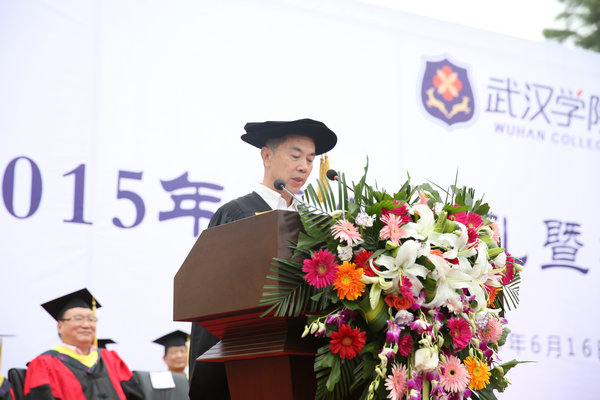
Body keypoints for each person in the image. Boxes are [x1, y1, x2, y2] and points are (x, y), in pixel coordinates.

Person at [188, 118, 337, 400]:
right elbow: (211, 299)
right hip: (245, 367)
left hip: (305, 364)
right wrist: (208, 381)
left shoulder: (314, 223)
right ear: (267, 156)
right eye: (295, 156)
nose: (304, 167)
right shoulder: (236, 214)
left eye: (310, 159)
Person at [23, 289, 144, 400]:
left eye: (91, 319)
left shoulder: (111, 359)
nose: (86, 325)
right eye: (78, 318)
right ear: (60, 326)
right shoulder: (44, 364)